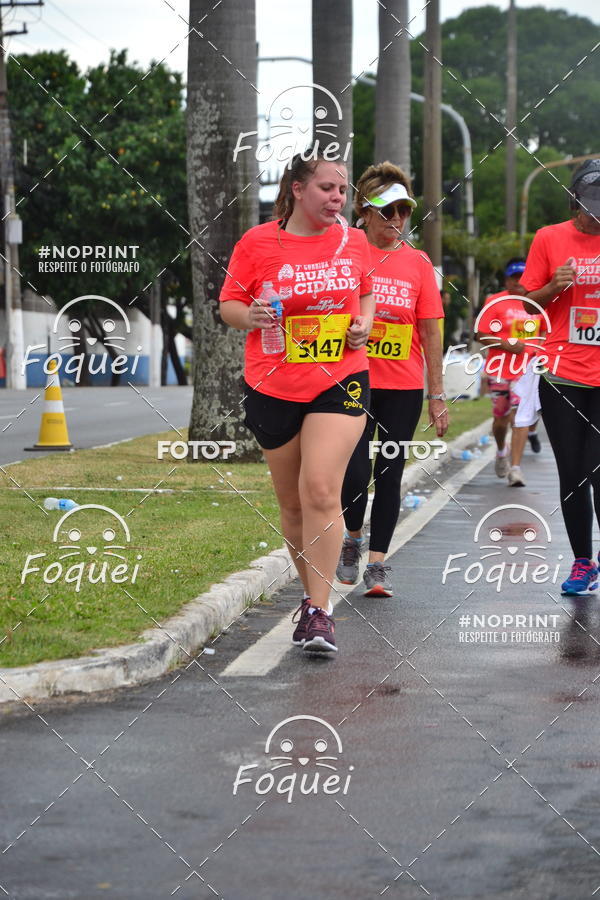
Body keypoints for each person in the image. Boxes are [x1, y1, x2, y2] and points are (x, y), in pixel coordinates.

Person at [219, 149, 375, 652]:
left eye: (343, 190)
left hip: (341, 377)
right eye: (328, 188)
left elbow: (366, 293)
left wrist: (365, 323)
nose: (338, 198)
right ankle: (311, 596)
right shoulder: (258, 242)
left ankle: (320, 610)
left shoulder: (354, 242)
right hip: (273, 383)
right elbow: (229, 305)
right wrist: (253, 317)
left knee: (321, 489)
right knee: (291, 504)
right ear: (298, 190)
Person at [335, 162, 448, 597]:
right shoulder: (345, 252)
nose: (397, 220)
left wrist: (436, 394)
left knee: (390, 471)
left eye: (403, 210)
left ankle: (377, 565)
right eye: (388, 211)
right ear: (363, 209)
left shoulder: (418, 263)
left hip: (402, 387)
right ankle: (352, 537)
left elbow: (431, 331)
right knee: (354, 468)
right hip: (353, 378)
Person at [520, 158, 600, 595]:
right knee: (572, 472)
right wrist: (554, 286)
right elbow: (528, 305)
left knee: (599, 469)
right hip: (562, 373)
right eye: (590, 206)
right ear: (575, 200)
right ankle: (582, 563)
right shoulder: (549, 238)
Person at [476, 259, 542, 487]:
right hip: (500, 370)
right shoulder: (495, 301)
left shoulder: (538, 304)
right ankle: (501, 450)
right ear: (506, 279)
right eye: (515, 277)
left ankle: (516, 469)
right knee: (501, 420)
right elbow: (481, 334)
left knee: (521, 418)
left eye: (523, 276)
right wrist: (506, 344)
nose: (519, 281)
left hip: (527, 371)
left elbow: (547, 335)